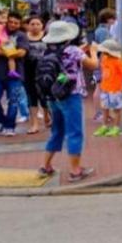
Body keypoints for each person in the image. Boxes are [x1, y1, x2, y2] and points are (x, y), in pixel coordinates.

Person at [35, 20, 99, 182]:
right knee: (75, 132)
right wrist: (93, 51)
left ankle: (45, 166)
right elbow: (93, 65)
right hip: (71, 95)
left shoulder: (47, 51)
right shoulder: (73, 50)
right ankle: (75, 170)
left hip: (53, 95)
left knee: (57, 131)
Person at [21, 15, 49, 137]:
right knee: (31, 96)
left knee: (45, 95)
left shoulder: (48, 37)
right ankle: (35, 123)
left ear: (42, 25)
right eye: (32, 24)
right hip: (29, 71)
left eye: (38, 24)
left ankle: (47, 116)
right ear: (28, 25)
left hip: (45, 71)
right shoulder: (23, 38)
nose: (35, 26)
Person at [95, 40, 122, 136]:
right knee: (105, 107)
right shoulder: (104, 59)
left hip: (115, 88)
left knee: (116, 109)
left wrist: (121, 82)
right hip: (105, 87)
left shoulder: (118, 61)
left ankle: (116, 127)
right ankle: (104, 126)